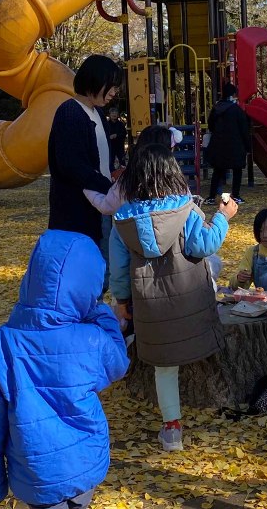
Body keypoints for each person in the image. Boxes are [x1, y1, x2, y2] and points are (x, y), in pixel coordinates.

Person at [0, 230, 130, 508]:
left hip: (35, 475)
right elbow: (118, 362)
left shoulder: (0, 345)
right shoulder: (91, 339)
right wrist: (99, 310)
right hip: (85, 462)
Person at [108, 144, 238, 451]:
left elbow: (119, 270)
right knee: (205, 345)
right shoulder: (186, 210)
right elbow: (204, 246)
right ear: (172, 174)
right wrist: (223, 217)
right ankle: (223, 399)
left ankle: (172, 429)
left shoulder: (122, 221)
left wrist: (122, 302)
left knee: (163, 367)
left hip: (150, 308)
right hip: (189, 303)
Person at [48, 55, 122, 254]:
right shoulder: (70, 113)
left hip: (101, 203)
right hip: (77, 210)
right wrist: (109, 188)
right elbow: (72, 166)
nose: (114, 92)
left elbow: (102, 160)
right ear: (95, 81)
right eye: (111, 86)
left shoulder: (98, 114)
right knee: (84, 260)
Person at [205, 83, 251, 205]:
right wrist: (248, 147)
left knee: (218, 171)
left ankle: (211, 196)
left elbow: (211, 125)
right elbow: (244, 129)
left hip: (218, 145)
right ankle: (235, 195)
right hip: (235, 145)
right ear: (234, 94)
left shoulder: (216, 109)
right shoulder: (237, 110)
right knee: (237, 170)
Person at [105, 107, 128, 171]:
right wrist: (109, 137)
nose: (114, 114)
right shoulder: (106, 124)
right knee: (110, 162)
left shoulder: (121, 124)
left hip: (119, 146)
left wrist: (116, 135)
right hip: (110, 146)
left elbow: (124, 133)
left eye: (115, 113)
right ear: (109, 114)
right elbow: (104, 134)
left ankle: (123, 173)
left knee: (122, 162)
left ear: (118, 115)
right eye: (112, 113)